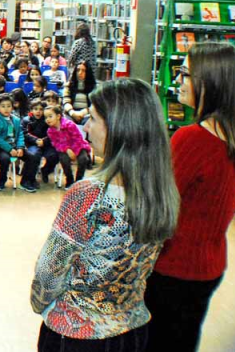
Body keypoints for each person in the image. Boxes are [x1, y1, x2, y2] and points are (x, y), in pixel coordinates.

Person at [32, 78, 180, 351]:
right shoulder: (161, 190)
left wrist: (40, 304)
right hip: (132, 330)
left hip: (77, 336)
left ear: (119, 127)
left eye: (93, 119)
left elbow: (48, 274)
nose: (85, 128)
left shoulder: (87, 194)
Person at [145, 42, 235, 351]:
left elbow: (158, 207)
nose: (179, 80)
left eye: (185, 74)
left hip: (173, 268)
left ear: (209, 81)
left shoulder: (192, 138)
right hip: (210, 265)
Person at [0, 93, 39, 192]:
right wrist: (10, 149)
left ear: (12, 107)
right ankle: (2, 180)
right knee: (5, 159)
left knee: (32, 157)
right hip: (1, 148)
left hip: (15, 146)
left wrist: (20, 147)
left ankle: (25, 181)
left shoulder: (16, 119)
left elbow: (20, 134)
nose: (6, 109)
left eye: (9, 106)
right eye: (3, 106)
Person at [45, 105, 91, 188]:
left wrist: (75, 152)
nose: (47, 119)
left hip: (79, 146)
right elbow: (56, 143)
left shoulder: (69, 125)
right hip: (65, 150)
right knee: (64, 159)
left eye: (50, 116)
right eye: (46, 117)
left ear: (58, 116)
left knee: (83, 159)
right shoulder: (50, 131)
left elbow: (78, 139)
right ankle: (69, 180)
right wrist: (67, 150)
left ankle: (79, 180)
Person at [22, 99, 58, 184]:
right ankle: (31, 178)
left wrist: (44, 141)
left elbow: (53, 133)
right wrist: (36, 141)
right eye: (35, 109)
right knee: (34, 155)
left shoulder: (48, 120)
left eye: (41, 109)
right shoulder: (26, 120)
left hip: (46, 144)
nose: (38, 111)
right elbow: (24, 134)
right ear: (31, 110)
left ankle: (45, 170)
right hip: (32, 144)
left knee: (54, 155)